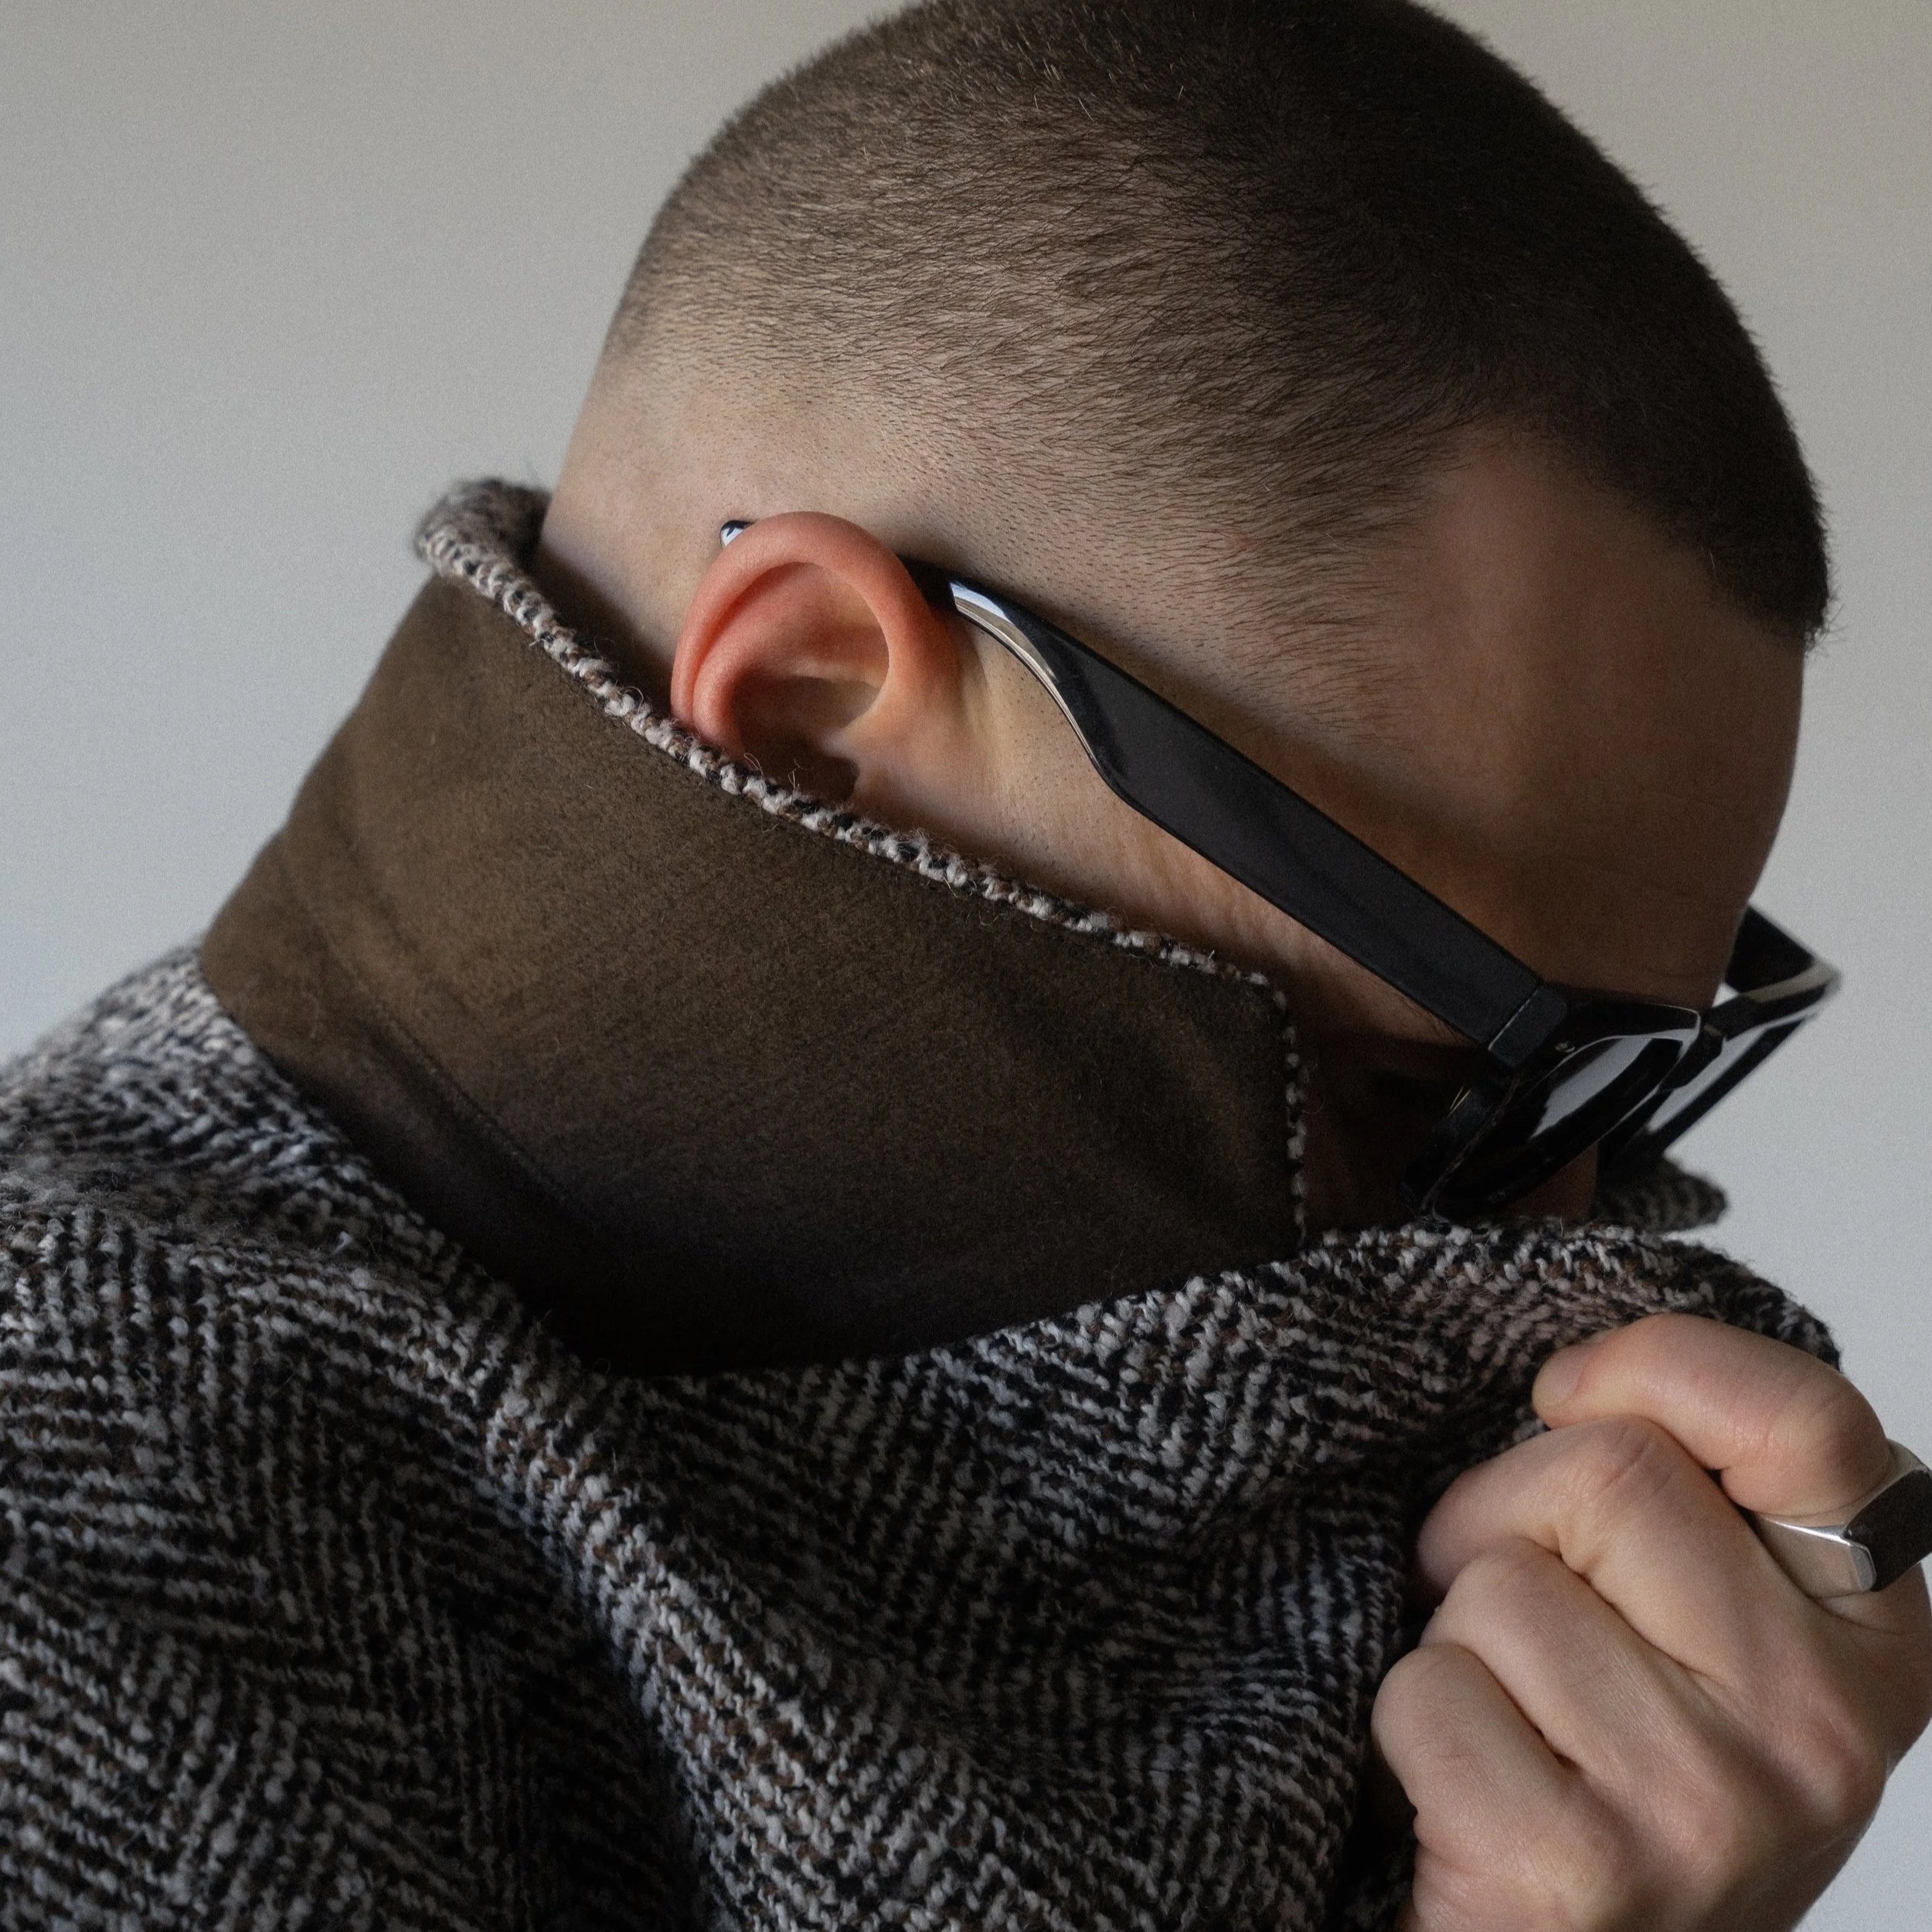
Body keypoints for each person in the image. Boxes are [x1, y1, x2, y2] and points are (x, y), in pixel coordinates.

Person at [2, 1, 1926, 1926]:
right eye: (1412, 1082)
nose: (1537, 1243)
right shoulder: (76, 1567)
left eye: (1623, 1081)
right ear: (807, 706)